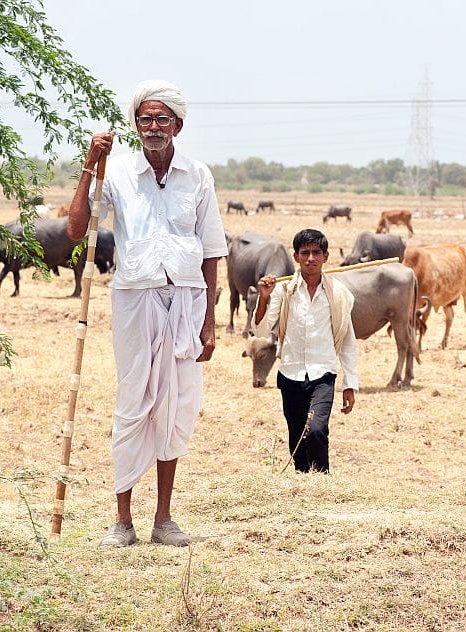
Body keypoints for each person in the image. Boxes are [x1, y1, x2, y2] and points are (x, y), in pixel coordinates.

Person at [67, 80, 227, 548]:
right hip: (135, 298)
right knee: (133, 401)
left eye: (162, 120)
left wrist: (209, 320)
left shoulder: (198, 175)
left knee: (176, 407)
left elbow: (213, 250)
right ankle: (122, 520)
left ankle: (164, 519)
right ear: (136, 125)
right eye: (144, 119)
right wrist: (88, 165)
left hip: (187, 298)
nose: (153, 128)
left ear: (178, 124)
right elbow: (77, 230)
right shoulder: (115, 172)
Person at [252, 229, 358, 473]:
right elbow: (261, 328)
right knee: (297, 435)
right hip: (290, 374)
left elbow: (349, 342)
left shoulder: (339, 295)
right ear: (296, 257)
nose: (311, 258)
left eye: (316, 253)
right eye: (305, 253)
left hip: (323, 375)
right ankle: (302, 479)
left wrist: (350, 383)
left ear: (326, 256)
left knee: (317, 429)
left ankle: (322, 481)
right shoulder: (283, 291)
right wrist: (264, 298)